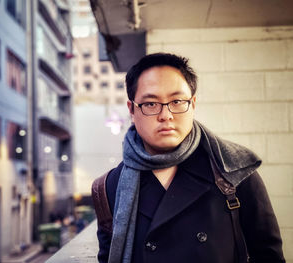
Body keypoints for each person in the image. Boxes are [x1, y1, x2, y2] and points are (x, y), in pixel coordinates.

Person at [92, 53, 285, 263]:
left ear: (192, 104)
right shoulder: (109, 187)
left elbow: (268, 256)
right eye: (150, 104)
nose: (166, 115)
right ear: (132, 109)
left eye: (176, 101)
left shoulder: (234, 172)